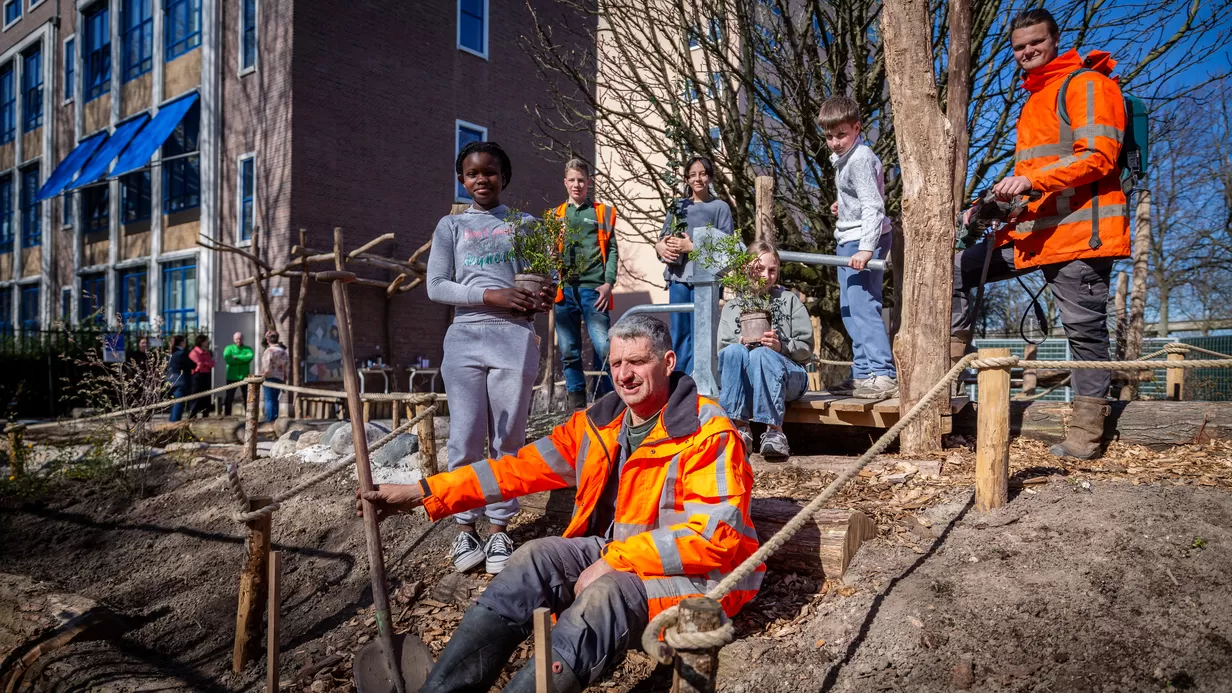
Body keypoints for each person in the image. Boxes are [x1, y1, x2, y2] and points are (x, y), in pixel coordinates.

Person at [357, 314, 761, 693]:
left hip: (700, 578)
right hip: (625, 554)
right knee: (532, 558)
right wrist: (423, 492)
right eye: (617, 361)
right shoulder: (600, 423)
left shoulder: (708, 431)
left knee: (605, 596)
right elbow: (516, 469)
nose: (623, 374)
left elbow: (714, 537)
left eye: (637, 361)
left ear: (668, 361)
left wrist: (615, 561)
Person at [952, 8, 1128, 460]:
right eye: (1019, 46)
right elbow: (1034, 175)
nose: (1027, 51)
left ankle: (1088, 434)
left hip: (1077, 238)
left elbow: (1100, 156)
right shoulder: (1035, 99)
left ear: (1054, 40)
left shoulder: (1088, 85)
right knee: (952, 272)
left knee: (1085, 335)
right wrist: (992, 206)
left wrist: (1030, 182)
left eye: (1036, 42)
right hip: (1033, 237)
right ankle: (947, 392)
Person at [427, 140, 550, 575]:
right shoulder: (450, 227)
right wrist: (490, 294)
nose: (482, 179)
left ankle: (499, 526)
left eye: (491, 172)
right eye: (473, 173)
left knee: (507, 438)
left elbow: (543, 280)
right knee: (464, 435)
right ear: (462, 179)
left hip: (514, 336)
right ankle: (465, 525)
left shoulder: (526, 225)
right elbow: (436, 285)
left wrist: (544, 295)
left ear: (505, 177)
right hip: (464, 336)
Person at [818, 95, 898, 399]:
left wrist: (866, 249)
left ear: (856, 128)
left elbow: (874, 206)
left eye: (842, 135)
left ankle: (882, 372)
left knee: (864, 307)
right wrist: (843, 205)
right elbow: (861, 198)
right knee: (849, 308)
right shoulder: (844, 160)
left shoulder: (861, 157)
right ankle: (863, 372)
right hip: (849, 236)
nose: (836, 142)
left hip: (864, 239)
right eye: (829, 136)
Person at [716, 241, 814, 459]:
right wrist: (738, 344)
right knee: (733, 352)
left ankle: (774, 433)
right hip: (749, 380)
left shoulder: (788, 300)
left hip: (791, 375)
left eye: (772, 271)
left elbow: (806, 349)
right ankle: (740, 429)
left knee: (762, 354)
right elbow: (722, 351)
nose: (765, 276)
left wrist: (781, 346)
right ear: (745, 269)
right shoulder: (733, 307)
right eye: (758, 269)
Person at [655, 156, 734, 376]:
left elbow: (727, 247)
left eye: (702, 173)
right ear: (686, 179)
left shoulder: (720, 208)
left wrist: (693, 246)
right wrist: (660, 246)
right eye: (692, 174)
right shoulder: (677, 207)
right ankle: (679, 380)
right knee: (679, 333)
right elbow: (663, 238)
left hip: (707, 280)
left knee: (702, 332)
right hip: (678, 277)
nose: (697, 178)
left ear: (709, 176)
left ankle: (701, 382)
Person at [552, 159, 619, 410]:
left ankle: (620, 399)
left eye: (581, 180)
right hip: (565, 291)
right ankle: (576, 406)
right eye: (572, 180)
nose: (577, 184)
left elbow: (612, 250)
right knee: (569, 350)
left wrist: (608, 283)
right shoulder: (555, 215)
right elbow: (548, 254)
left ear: (588, 182)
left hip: (594, 290)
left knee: (604, 346)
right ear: (565, 183)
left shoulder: (602, 212)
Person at [222, 332, 254, 416]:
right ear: (233, 339)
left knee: (246, 397)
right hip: (232, 376)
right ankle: (227, 415)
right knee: (229, 397)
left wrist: (236, 357)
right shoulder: (228, 348)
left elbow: (250, 357)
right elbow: (228, 359)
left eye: (240, 339)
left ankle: (248, 415)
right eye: (237, 339)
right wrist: (243, 359)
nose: (238, 340)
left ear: (243, 339)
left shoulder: (248, 349)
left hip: (244, 377)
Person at [261, 331, 289, 423]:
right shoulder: (283, 352)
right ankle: (275, 419)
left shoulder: (269, 351)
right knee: (276, 399)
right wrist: (285, 378)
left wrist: (263, 375)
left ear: (268, 340)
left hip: (269, 377)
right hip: (280, 377)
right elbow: (287, 366)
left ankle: (269, 419)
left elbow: (267, 365)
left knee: (269, 399)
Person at [187, 335, 216, 418]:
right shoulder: (194, 352)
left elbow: (212, 363)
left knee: (206, 396)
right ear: (202, 342)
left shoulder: (207, 352)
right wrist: (206, 364)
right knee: (195, 396)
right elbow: (198, 365)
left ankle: (205, 415)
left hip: (206, 375)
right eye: (206, 341)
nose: (208, 342)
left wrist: (205, 364)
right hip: (197, 376)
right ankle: (192, 415)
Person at [166, 335, 192, 422]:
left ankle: (171, 421)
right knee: (178, 404)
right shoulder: (181, 354)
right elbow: (191, 364)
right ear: (181, 343)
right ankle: (174, 423)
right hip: (180, 381)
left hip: (170, 380)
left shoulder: (170, 354)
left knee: (174, 403)